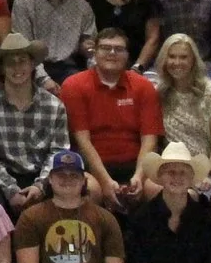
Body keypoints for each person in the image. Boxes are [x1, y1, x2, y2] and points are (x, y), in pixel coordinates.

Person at [62, 27, 163, 206]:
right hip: (91, 165)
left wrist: (139, 177)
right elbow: (82, 141)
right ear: (95, 52)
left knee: (157, 189)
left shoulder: (144, 86)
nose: (112, 53)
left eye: (119, 49)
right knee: (90, 189)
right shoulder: (73, 85)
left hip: (135, 162)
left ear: (127, 55)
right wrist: (105, 181)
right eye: (105, 48)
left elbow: (150, 139)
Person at [0, 34, 68, 212]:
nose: (17, 67)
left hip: (43, 178)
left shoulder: (54, 106)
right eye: (10, 62)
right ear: (1, 68)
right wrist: (11, 190)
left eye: (22, 60)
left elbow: (59, 151)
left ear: (32, 65)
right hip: (1, 179)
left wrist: (40, 186)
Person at [149, 35, 211, 198]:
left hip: (210, 166)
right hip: (174, 168)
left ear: (193, 60)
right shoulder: (159, 93)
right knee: (186, 196)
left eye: (183, 57)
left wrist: (210, 174)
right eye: (172, 57)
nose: (177, 62)